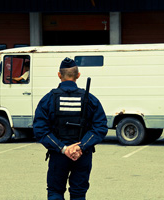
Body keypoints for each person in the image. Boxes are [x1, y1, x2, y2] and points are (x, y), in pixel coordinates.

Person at [33, 57, 108, 200]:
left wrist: (64, 149)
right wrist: (81, 147)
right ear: (78, 76)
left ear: (59, 75)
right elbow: (100, 126)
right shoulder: (90, 99)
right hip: (82, 155)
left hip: (58, 154)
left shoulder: (48, 99)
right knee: (79, 194)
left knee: (55, 192)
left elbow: (40, 130)